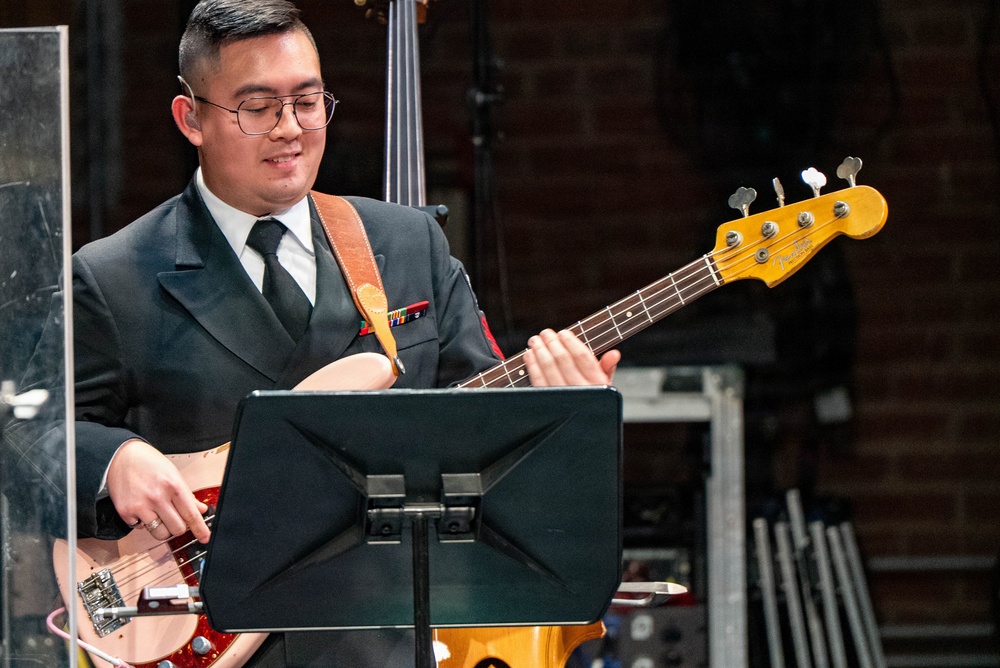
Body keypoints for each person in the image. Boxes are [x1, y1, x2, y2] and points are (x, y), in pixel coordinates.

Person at [5, 0, 619, 665]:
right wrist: (114, 461)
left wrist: (561, 413)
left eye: (307, 100)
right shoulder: (114, 275)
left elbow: (481, 434)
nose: (290, 129)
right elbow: (27, 435)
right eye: (257, 107)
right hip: (203, 631)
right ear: (192, 119)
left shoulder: (408, 246)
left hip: (383, 643)